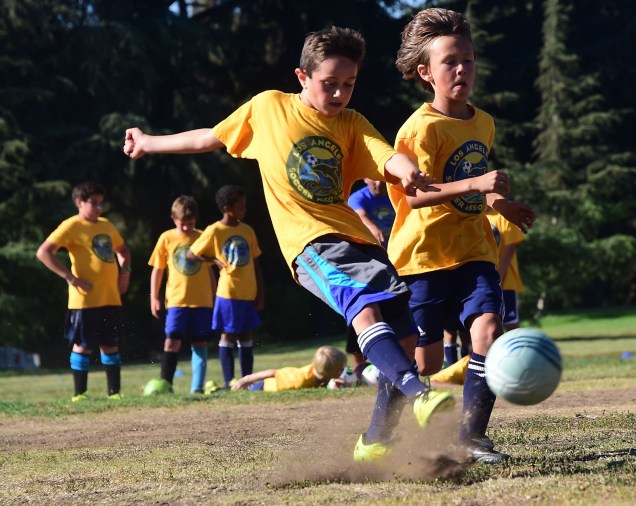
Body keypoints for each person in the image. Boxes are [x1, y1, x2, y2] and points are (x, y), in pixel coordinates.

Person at [122, 26, 454, 463]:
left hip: (357, 241)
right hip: (310, 245)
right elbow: (210, 137)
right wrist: (149, 142)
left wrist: (405, 167)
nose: (339, 94)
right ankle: (418, 394)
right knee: (364, 310)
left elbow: (383, 154)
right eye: (329, 83)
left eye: (348, 84)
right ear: (302, 76)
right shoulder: (268, 108)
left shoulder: (351, 124)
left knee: (407, 338)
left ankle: (376, 439)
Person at [389, 8, 535, 464]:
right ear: (425, 72)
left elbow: (476, 187)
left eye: (468, 60)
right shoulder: (419, 128)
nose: (462, 70)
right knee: (425, 363)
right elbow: (415, 198)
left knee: (489, 331)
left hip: (474, 251)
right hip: (424, 257)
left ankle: (471, 437)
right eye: (450, 61)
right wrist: (477, 185)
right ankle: (383, 434)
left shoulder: (483, 122)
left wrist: (500, 205)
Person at [35, 181, 131, 401]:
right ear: (79, 203)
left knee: (110, 344)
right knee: (82, 346)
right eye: (94, 203)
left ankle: (114, 393)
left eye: (101, 203)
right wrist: (70, 277)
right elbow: (44, 252)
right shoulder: (71, 226)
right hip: (84, 300)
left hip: (110, 296)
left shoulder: (106, 225)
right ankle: (80, 394)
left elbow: (123, 250)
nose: (99, 208)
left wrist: (125, 271)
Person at [186, 185, 263, 389]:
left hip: (248, 292)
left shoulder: (247, 230)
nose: (244, 210)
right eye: (241, 206)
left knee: (246, 335)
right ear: (228, 208)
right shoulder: (215, 230)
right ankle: (230, 381)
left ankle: (247, 380)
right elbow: (191, 254)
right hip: (228, 292)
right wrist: (214, 260)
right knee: (228, 334)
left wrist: (260, 293)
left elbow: (256, 263)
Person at [148, 195, 216, 394]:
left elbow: (210, 270)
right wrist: (154, 297)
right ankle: (166, 385)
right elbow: (158, 270)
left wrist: (214, 296)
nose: (186, 228)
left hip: (202, 301)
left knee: (200, 342)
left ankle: (197, 388)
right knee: (172, 341)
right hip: (176, 301)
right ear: (173, 219)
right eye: (182, 224)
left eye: (191, 223)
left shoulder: (203, 236)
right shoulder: (166, 238)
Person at [344, 178, 396, 373]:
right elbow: (360, 215)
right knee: (362, 308)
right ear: (365, 178)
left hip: (397, 261)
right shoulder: (358, 197)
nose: (378, 182)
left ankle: (395, 361)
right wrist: (373, 227)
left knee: (394, 311)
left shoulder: (394, 193)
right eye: (372, 178)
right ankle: (359, 367)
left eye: (381, 178)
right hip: (367, 263)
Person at [230, 345, 346, 392]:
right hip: (263, 387)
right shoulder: (300, 379)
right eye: (340, 369)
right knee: (247, 389)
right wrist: (245, 380)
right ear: (328, 372)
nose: (343, 370)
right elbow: (273, 373)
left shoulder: (318, 370)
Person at [486, 208, 525, 332]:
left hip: (505, 281)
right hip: (482, 280)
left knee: (510, 322)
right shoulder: (474, 216)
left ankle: (519, 350)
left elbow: (510, 249)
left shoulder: (503, 215)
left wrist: (499, 278)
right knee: (486, 322)